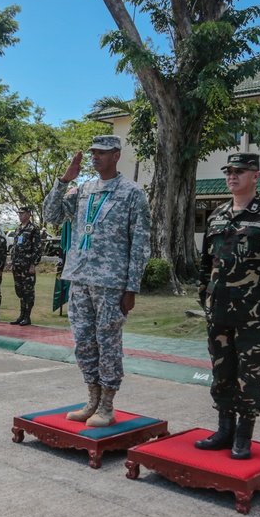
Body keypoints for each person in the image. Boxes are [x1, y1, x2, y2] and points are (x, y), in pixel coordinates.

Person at [195, 152, 260, 460]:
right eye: (229, 171)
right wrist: (206, 300)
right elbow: (206, 264)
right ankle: (224, 430)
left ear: (255, 175)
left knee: (249, 374)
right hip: (219, 312)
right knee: (221, 371)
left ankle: (243, 435)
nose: (232, 176)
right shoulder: (217, 215)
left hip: (253, 314)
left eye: (240, 171)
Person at [43, 135, 151, 427]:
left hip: (111, 283)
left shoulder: (132, 193)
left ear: (116, 155)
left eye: (101, 153)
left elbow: (140, 243)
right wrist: (64, 180)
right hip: (79, 278)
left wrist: (131, 288)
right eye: (93, 153)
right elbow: (51, 215)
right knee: (84, 343)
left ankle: (107, 405)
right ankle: (91, 399)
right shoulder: (83, 190)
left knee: (108, 343)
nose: (95, 157)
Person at [10, 206, 41, 326]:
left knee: (28, 291)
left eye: (22, 213)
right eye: (19, 213)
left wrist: (33, 264)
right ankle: (21, 315)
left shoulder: (33, 229)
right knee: (20, 291)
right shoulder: (18, 229)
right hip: (17, 264)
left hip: (27, 265)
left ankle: (27, 316)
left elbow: (37, 248)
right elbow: (15, 247)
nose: (20, 215)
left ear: (29, 214)